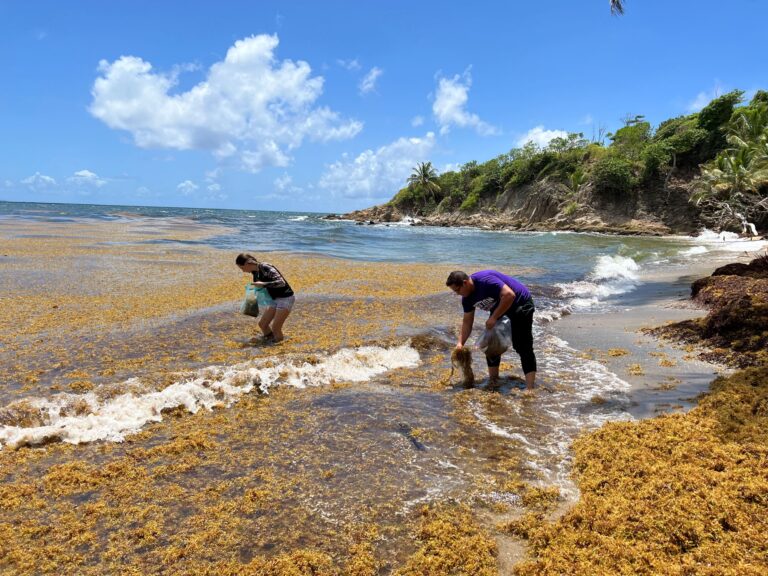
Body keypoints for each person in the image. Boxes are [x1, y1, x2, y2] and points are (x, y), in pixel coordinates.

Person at [446, 270, 536, 390]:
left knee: (523, 346)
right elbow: (467, 322)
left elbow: (509, 295)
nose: (457, 294)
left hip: (520, 303)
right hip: (501, 307)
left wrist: (493, 317)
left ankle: (530, 388)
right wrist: (460, 343)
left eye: (457, 290)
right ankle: (494, 381)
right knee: (491, 345)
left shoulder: (485, 281)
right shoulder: (467, 298)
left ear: (465, 283)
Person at [236, 253, 295, 343]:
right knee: (262, 324)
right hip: (274, 299)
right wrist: (252, 296)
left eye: (242, 268)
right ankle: (269, 342)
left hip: (285, 297)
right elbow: (263, 289)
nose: (243, 271)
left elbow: (281, 283)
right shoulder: (255, 273)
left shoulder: (265, 267)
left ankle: (280, 347)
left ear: (248, 263)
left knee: (275, 327)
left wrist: (263, 284)